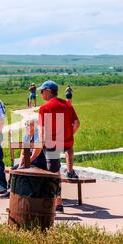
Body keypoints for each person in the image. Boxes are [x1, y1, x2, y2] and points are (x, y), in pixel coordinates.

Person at [37, 80, 80, 212]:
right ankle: (70, 171)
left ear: (49, 91)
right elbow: (77, 123)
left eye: (42, 91)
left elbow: (42, 130)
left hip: (51, 143)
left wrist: (41, 145)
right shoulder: (67, 105)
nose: (40, 94)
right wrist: (69, 134)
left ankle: (57, 203)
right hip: (66, 141)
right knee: (58, 168)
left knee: (53, 173)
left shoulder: (44, 108)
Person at [0, 117, 47, 199]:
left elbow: (35, 154)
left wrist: (25, 164)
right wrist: (20, 166)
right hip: (29, 161)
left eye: (28, 125)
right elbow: (23, 153)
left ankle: (19, 193)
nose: (26, 126)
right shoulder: (27, 136)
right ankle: (11, 191)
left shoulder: (38, 135)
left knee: (23, 171)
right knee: (14, 169)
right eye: (25, 124)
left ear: (34, 126)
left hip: (38, 162)